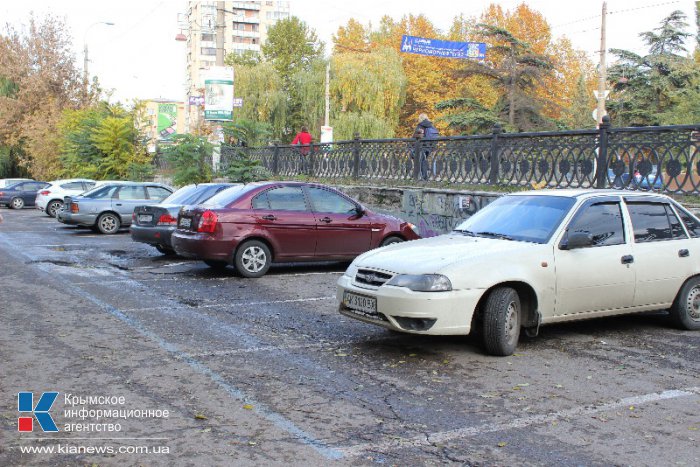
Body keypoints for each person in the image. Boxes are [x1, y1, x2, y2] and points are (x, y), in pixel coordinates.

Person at [413, 113, 439, 180]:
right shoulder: (431, 126)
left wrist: (411, 145)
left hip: (422, 146)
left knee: (420, 161)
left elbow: (416, 136)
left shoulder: (420, 126)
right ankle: (427, 176)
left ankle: (423, 177)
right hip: (430, 147)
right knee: (424, 161)